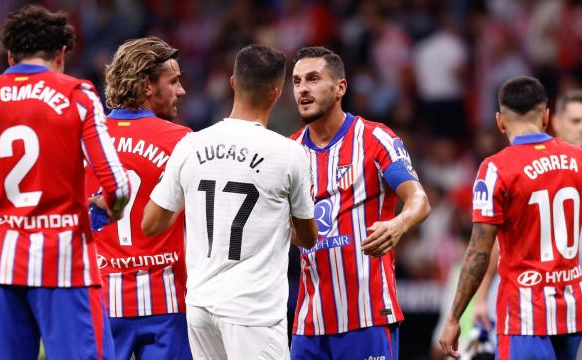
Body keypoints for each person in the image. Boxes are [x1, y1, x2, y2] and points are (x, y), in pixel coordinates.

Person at [0, 5, 130, 358]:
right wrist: (111, 208)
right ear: (61, 55)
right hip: (66, 265)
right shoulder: (77, 93)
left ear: (10, 56)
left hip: (0, 266)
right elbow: (118, 187)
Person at [142, 44, 317, 359]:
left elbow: (150, 223)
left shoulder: (190, 145)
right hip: (253, 312)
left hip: (200, 306)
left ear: (233, 82)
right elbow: (307, 238)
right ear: (276, 93)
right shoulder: (289, 154)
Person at [289, 46, 431, 360]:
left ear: (340, 87)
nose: (303, 89)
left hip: (367, 317)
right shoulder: (289, 151)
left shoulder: (373, 138)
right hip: (308, 323)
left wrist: (398, 223)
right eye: (297, 81)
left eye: (313, 79)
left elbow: (419, 200)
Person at [439, 76, 582, 359]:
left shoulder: (496, 169)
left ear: (500, 121)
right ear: (547, 116)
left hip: (523, 316)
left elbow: (479, 251)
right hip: (572, 313)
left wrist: (455, 316)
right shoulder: (578, 159)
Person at [85, 36, 192, 359]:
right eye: (173, 82)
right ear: (147, 86)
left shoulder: (88, 138)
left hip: (102, 300)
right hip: (167, 304)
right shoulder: (182, 141)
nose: (181, 91)